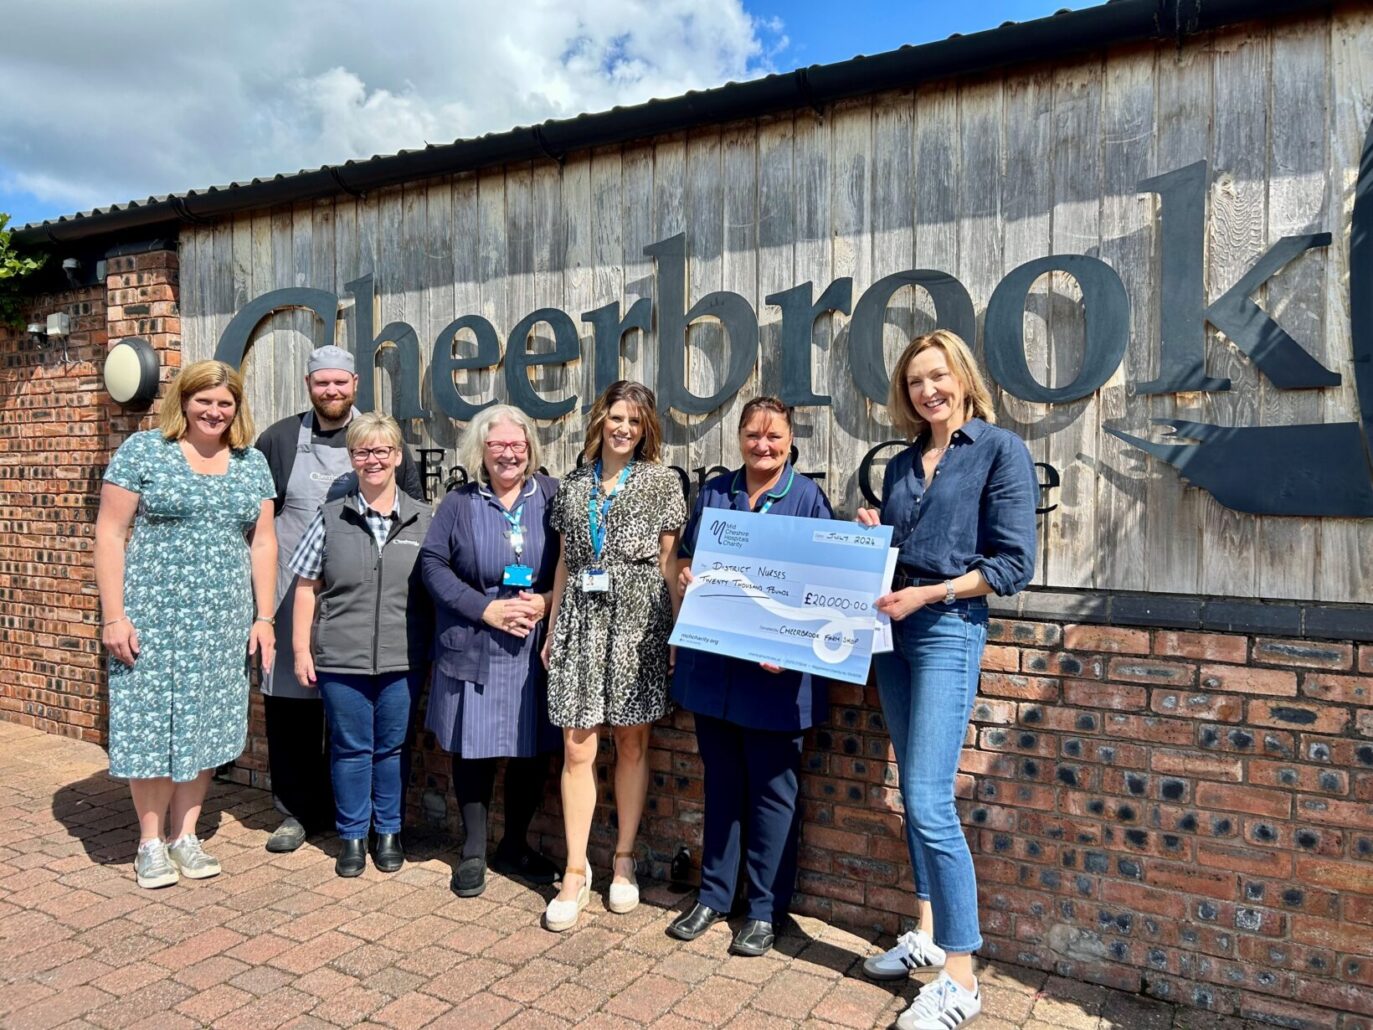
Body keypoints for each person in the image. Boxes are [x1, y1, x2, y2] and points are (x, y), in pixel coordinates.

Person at [855, 329, 1037, 1030]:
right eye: (913, 383)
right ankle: (927, 934)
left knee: (931, 800)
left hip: (945, 629)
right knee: (911, 792)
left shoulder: (998, 450)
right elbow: (904, 552)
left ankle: (959, 978)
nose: (925, 390)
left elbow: (1009, 567)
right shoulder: (903, 464)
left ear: (961, 377)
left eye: (935, 377)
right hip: (891, 633)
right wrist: (875, 532)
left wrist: (927, 596)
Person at [94, 360, 277, 889]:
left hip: (221, 620)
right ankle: (150, 842)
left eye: (225, 403)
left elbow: (262, 542)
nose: (214, 411)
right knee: (151, 723)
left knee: (207, 721)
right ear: (184, 401)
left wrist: (263, 616)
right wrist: (113, 615)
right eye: (204, 400)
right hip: (151, 616)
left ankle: (186, 835)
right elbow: (110, 533)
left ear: (236, 408)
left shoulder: (251, 463)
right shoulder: (145, 451)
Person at [666, 397, 834, 957]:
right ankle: (714, 896)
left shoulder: (807, 499)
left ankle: (764, 911)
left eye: (775, 437)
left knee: (772, 795)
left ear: (790, 441)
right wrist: (686, 575)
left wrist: (794, 648)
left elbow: (825, 589)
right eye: (753, 435)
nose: (764, 446)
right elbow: (683, 560)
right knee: (721, 785)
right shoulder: (716, 492)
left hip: (775, 680)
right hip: (715, 670)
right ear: (739, 437)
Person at [254, 345, 425, 853]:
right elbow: (261, 525)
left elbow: (412, 512)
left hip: (368, 604)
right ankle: (295, 812)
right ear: (309, 385)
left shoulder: (387, 443)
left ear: (355, 383)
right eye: (320, 383)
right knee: (290, 706)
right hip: (295, 590)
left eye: (340, 383)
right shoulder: (280, 439)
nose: (331, 391)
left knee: (364, 725)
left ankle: (368, 820)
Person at [540, 380, 686, 932]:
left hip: (638, 621)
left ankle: (623, 860)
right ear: (599, 421)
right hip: (579, 615)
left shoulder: (661, 482)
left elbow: (670, 564)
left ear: (646, 429)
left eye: (635, 421)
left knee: (631, 739)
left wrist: (671, 632)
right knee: (577, 746)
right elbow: (561, 562)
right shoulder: (572, 484)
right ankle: (575, 872)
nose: (624, 428)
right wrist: (554, 628)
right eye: (616, 417)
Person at [420, 405, 561, 898]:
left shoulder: (551, 495)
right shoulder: (459, 502)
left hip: (532, 645)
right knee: (474, 749)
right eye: (498, 445)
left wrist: (546, 601)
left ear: (530, 450)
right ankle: (474, 850)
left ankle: (515, 846)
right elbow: (433, 566)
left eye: (517, 445)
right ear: (481, 450)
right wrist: (484, 609)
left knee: (532, 747)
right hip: (477, 640)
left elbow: (576, 559)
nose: (509, 453)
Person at [289, 412, 433, 877]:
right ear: (352, 459)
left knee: (391, 748)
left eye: (381, 451)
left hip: (401, 656)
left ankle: (388, 831)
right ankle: (351, 837)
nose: (372, 460)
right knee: (350, 748)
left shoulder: (423, 519)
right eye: (362, 452)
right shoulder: (331, 517)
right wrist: (300, 649)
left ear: (397, 456)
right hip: (341, 657)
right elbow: (307, 586)